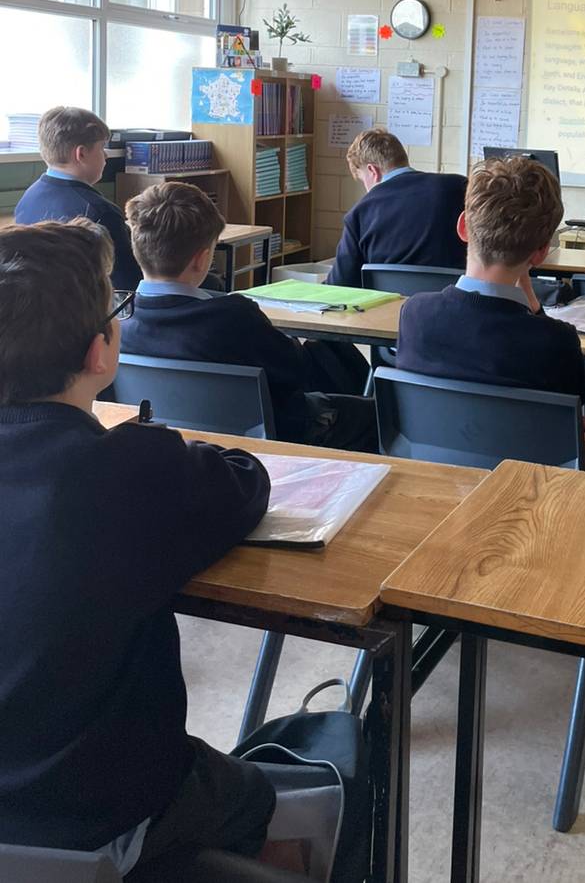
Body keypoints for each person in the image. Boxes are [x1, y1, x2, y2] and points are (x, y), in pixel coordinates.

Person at [0, 218, 275, 872]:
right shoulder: (130, 468)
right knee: (257, 793)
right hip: (91, 814)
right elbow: (246, 482)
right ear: (100, 352)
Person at [398, 154, 585, 483]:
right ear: (541, 253)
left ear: (463, 226)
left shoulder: (415, 314)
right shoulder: (556, 341)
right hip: (533, 484)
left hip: (439, 472)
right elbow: (569, 409)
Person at [122, 181, 375, 449]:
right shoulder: (234, 317)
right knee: (379, 416)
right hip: (274, 435)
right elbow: (296, 371)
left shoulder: (119, 320)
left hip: (174, 442)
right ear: (202, 259)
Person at [15, 105, 142, 290]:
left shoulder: (28, 199)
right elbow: (128, 287)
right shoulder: (101, 212)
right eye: (101, 147)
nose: (106, 155)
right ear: (81, 153)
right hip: (87, 306)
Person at [328, 129, 467, 288]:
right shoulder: (459, 187)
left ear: (373, 171)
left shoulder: (359, 213)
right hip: (453, 300)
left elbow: (340, 283)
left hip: (387, 303)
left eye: (363, 180)